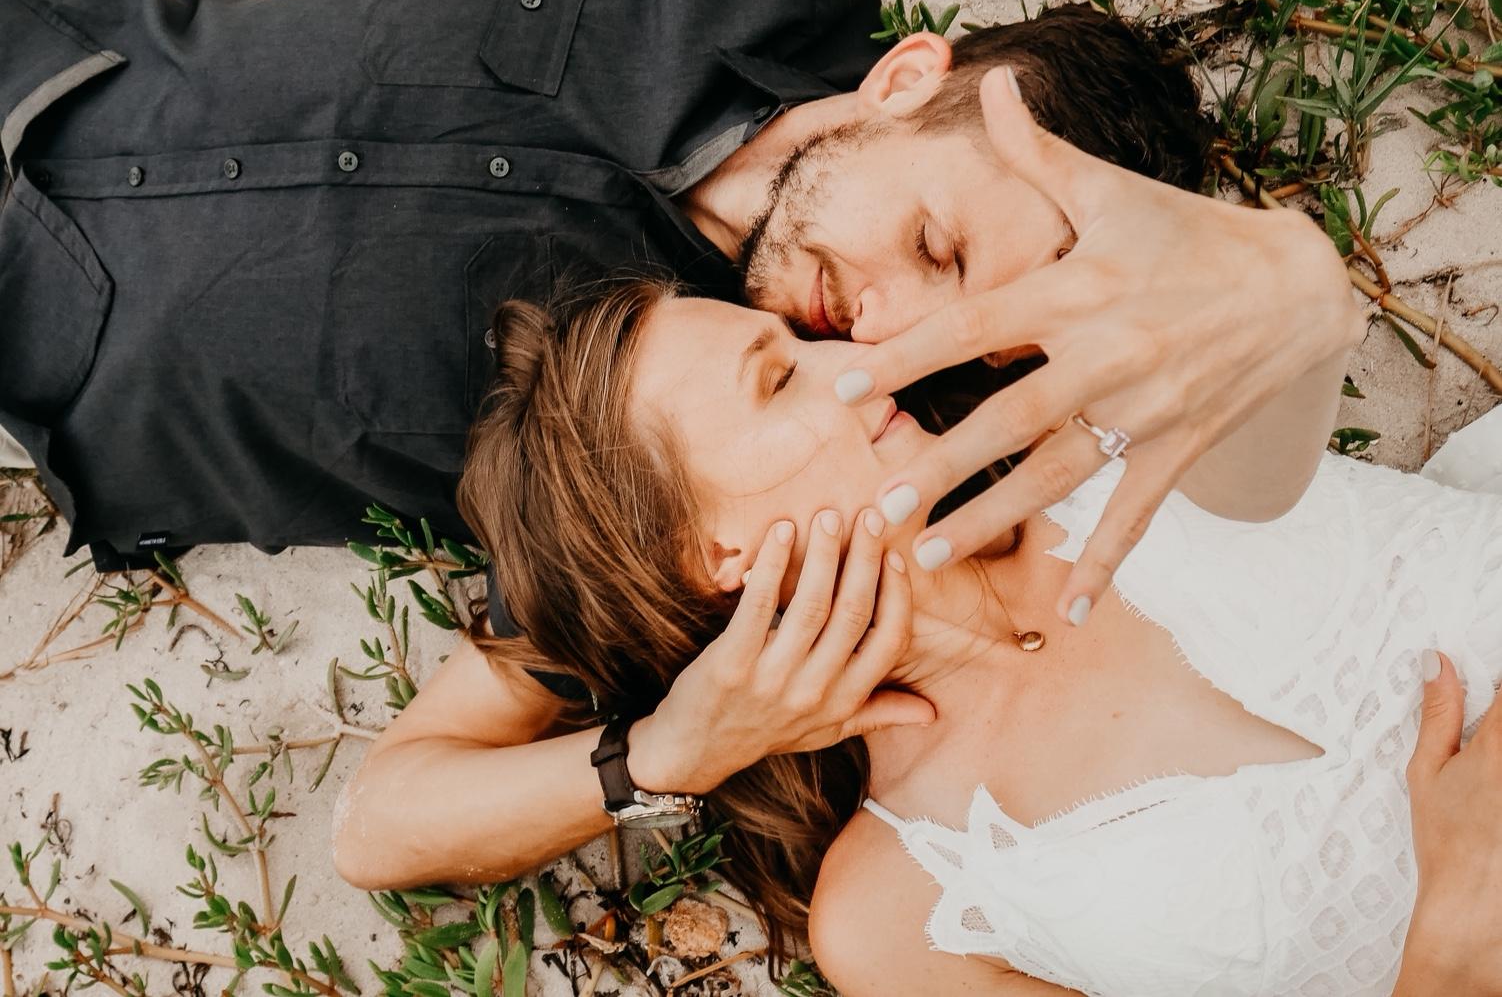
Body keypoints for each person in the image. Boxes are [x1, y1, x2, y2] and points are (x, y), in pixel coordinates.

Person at [1, 0, 1357, 614]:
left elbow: (1240, 498)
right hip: (58, 46)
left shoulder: (736, 440)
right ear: (904, 83)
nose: (882, 329)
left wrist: (1291, 297)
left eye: (961, 326)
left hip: (49, 360)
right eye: (934, 246)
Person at [343, 268, 1502, 996]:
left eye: (799, 337)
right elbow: (375, 827)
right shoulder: (896, 910)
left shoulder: (1085, 415)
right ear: (715, 556)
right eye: (777, 381)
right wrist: (1446, 948)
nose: (854, 361)